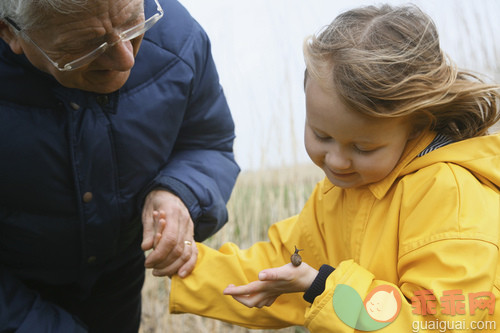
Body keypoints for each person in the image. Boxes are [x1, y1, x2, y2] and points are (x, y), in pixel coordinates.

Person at [167, 4, 500, 332]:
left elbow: (435, 323)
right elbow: (279, 268)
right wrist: (184, 264)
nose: (337, 161)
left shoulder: (449, 194)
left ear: (415, 125)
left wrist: (322, 287)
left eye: (363, 147)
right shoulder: (337, 195)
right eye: (321, 135)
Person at [0, 0, 239, 331]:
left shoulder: (177, 36)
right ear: (10, 31)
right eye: (86, 46)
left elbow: (207, 141)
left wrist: (180, 191)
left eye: (133, 23)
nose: (126, 58)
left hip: (116, 291)